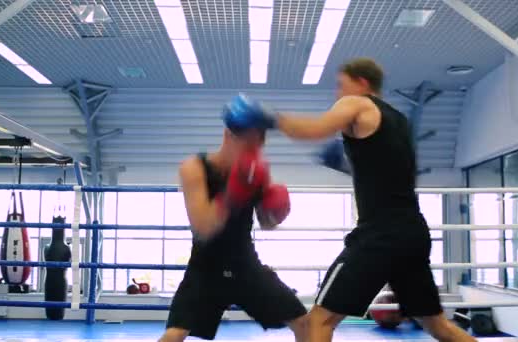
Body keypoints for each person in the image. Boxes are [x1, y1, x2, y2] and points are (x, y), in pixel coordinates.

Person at [222, 57, 477, 342]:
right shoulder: (399, 120)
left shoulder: (357, 103)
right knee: (438, 326)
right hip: (412, 233)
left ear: (362, 83)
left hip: (380, 235)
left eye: (341, 85)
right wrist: (344, 164)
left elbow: (315, 130)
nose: (337, 94)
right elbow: (388, 170)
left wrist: (269, 118)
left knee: (317, 322)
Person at [159, 123, 308, 342]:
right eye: (247, 144)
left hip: (245, 266)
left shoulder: (255, 170)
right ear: (228, 135)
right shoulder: (194, 167)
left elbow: (266, 223)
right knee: (176, 333)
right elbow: (202, 225)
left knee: (305, 324)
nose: (250, 152)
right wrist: (234, 190)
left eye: (255, 147)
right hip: (205, 268)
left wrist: (276, 212)